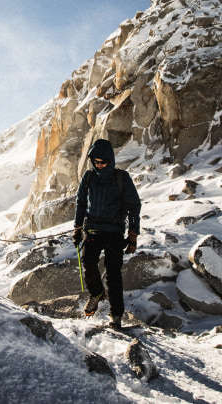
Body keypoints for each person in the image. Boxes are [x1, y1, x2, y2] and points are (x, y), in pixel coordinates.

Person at [72, 139, 141, 329]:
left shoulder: (121, 178)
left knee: (113, 275)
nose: (99, 165)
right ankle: (96, 293)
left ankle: (115, 315)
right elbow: (80, 203)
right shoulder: (88, 178)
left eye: (102, 162)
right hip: (93, 229)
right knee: (88, 263)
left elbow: (134, 206)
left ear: (110, 160)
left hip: (115, 232)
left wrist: (133, 235)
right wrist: (77, 228)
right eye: (96, 162)